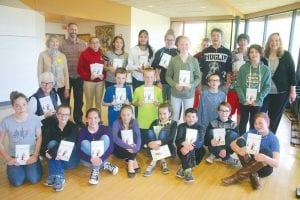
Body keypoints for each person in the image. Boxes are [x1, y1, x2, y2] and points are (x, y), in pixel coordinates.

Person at [221, 112, 280, 190]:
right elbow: (233, 144)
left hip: (263, 170)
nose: (258, 126)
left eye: (260, 123)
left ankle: (236, 177)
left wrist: (265, 158)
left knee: (266, 151)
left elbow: (276, 164)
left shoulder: (273, 139)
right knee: (240, 141)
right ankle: (254, 177)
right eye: (255, 123)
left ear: (267, 123)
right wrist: (239, 150)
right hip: (250, 163)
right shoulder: (252, 132)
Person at [0, 91, 42, 186]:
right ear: (13, 106)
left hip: (31, 155)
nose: (21, 108)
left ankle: (30, 166)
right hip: (14, 157)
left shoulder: (35, 119)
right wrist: (8, 158)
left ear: (27, 104)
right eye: (17, 105)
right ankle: (18, 169)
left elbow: (39, 137)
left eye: (24, 104)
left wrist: (35, 155)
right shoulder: (6, 121)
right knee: (17, 182)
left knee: (33, 179)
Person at [261, 33, 297, 134]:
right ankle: (258, 138)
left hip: (281, 93)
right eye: (271, 40)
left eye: (277, 40)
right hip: (264, 92)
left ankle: (270, 138)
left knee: (274, 118)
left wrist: (292, 91)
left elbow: (292, 74)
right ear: (268, 42)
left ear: (280, 42)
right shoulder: (264, 55)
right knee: (260, 114)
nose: (274, 42)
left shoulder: (286, 55)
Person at [41, 105, 80, 192]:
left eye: (66, 114)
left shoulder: (73, 127)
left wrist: (52, 152)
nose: (63, 116)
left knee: (53, 145)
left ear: (69, 116)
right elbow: (43, 146)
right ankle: (58, 176)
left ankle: (55, 174)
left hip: (70, 161)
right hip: (56, 159)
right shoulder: (50, 127)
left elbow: (68, 143)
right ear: (56, 115)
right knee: (51, 143)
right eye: (61, 114)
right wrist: (45, 153)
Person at [236, 44, 271, 135]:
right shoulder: (243, 68)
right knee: (243, 122)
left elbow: (267, 87)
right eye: (251, 52)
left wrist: (259, 99)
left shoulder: (266, 70)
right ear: (249, 54)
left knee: (254, 123)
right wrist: (243, 99)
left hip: (257, 102)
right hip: (244, 101)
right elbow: (238, 85)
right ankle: (242, 140)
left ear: (260, 54)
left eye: (256, 52)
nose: (254, 54)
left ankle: (252, 143)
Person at [77, 108, 118, 185]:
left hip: (100, 158)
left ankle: (95, 170)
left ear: (99, 119)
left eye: (95, 118)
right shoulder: (82, 131)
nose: (93, 121)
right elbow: (79, 150)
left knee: (105, 138)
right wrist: (91, 159)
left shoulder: (105, 129)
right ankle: (104, 164)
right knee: (85, 143)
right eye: (90, 118)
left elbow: (111, 147)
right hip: (88, 160)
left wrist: (101, 159)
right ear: (86, 119)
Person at [166, 36, 201, 122]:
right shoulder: (173, 60)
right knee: (174, 116)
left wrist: (191, 85)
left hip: (189, 94)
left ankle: (187, 135)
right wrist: (175, 84)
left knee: (188, 117)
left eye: (186, 44)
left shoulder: (194, 60)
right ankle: (173, 135)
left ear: (189, 45)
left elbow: (198, 77)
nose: (184, 46)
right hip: (175, 93)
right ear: (178, 45)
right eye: (181, 44)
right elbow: (168, 76)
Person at [60, 22, 87, 127]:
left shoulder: (83, 44)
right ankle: (65, 119)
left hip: (79, 77)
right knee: (65, 99)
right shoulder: (62, 45)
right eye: (71, 29)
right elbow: (59, 60)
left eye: (75, 29)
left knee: (79, 99)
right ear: (68, 30)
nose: (73, 31)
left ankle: (78, 119)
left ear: (77, 31)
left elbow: (86, 60)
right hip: (66, 77)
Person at [143, 102, 177, 177]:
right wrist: (149, 143)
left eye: (164, 114)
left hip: (167, 148)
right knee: (150, 132)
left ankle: (153, 161)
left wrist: (159, 141)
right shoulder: (155, 122)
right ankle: (163, 161)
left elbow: (171, 138)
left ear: (170, 114)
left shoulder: (174, 123)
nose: (162, 116)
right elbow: (148, 136)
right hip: (154, 147)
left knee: (162, 133)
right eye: (160, 114)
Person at [132, 67, 163, 146]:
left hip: (154, 121)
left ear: (154, 78)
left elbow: (162, 105)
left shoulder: (158, 90)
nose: (149, 79)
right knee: (141, 145)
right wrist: (137, 103)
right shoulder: (138, 90)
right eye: (147, 77)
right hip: (141, 122)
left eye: (151, 77)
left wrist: (158, 104)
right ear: (143, 78)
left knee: (152, 144)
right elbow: (133, 102)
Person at [37, 34, 69, 104]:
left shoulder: (62, 56)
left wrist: (67, 88)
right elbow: (39, 73)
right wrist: (41, 87)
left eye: (57, 41)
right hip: (47, 87)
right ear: (48, 43)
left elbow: (66, 73)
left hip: (61, 86)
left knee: (61, 106)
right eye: (52, 41)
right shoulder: (42, 55)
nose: (55, 43)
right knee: (50, 107)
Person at [198, 28, 232, 93]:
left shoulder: (227, 52)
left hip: (222, 85)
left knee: (221, 103)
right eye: (213, 35)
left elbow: (229, 70)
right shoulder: (205, 51)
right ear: (211, 37)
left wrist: (228, 83)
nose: (215, 37)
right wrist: (199, 85)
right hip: (206, 84)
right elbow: (201, 70)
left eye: (218, 35)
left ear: (221, 38)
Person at [175, 108, 205, 183]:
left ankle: (183, 167)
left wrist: (190, 147)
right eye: (188, 116)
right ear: (185, 118)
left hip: (196, 150)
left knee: (198, 150)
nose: (191, 119)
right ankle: (188, 172)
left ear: (197, 118)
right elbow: (177, 140)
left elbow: (200, 141)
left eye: (193, 117)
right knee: (185, 151)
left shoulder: (200, 127)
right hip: (183, 150)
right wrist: (184, 144)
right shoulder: (181, 126)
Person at [112, 105, 141, 178]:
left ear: (132, 114)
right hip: (119, 151)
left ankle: (130, 161)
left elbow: (138, 137)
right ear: (120, 115)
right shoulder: (116, 123)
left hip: (130, 150)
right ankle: (132, 163)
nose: (126, 117)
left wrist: (136, 148)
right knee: (120, 134)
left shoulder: (134, 122)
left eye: (128, 115)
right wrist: (129, 147)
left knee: (134, 135)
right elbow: (115, 138)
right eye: (123, 115)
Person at [77, 37, 105, 113]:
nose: (95, 45)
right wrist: (89, 77)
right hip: (89, 82)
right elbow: (79, 69)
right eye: (93, 43)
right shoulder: (84, 54)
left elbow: (105, 67)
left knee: (98, 103)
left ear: (99, 44)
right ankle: (88, 122)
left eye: (97, 42)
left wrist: (103, 75)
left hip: (100, 82)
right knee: (89, 103)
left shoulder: (102, 54)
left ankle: (98, 121)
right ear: (89, 44)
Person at [227, 34, 250, 125]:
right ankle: (228, 127)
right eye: (240, 40)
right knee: (230, 107)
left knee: (242, 110)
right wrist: (229, 78)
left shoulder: (251, 53)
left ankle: (239, 130)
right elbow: (228, 68)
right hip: (233, 84)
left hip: (246, 87)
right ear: (238, 42)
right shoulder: (232, 53)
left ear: (248, 42)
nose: (242, 42)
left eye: (245, 40)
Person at [151, 29, 178, 101]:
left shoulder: (178, 52)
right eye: (167, 39)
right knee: (161, 104)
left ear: (174, 40)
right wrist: (158, 82)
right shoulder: (159, 52)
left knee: (172, 105)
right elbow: (156, 69)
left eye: (171, 40)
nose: (169, 42)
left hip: (173, 84)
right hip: (162, 83)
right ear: (164, 40)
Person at [193, 37, 211, 108]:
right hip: (198, 81)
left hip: (207, 82)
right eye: (204, 45)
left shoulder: (211, 56)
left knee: (206, 102)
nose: (205, 47)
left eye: (207, 45)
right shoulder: (196, 56)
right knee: (196, 103)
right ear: (201, 45)